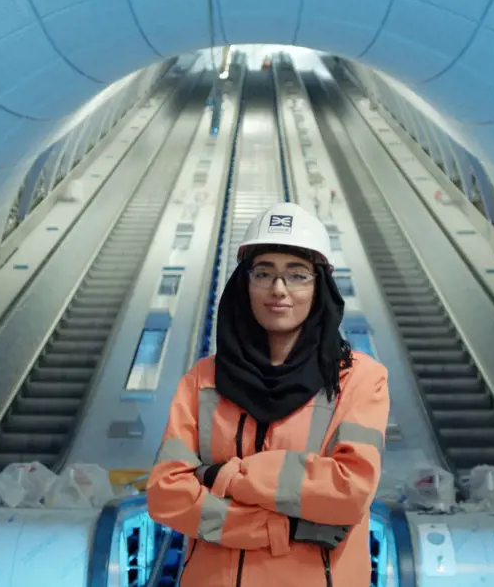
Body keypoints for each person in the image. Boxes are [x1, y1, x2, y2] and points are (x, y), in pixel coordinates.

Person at [147, 203, 391, 587]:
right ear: (244, 284)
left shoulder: (359, 379)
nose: (279, 289)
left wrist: (222, 475)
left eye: (297, 275)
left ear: (320, 286)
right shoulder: (203, 380)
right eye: (264, 273)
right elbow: (166, 495)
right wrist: (279, 526)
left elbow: (348, 491)